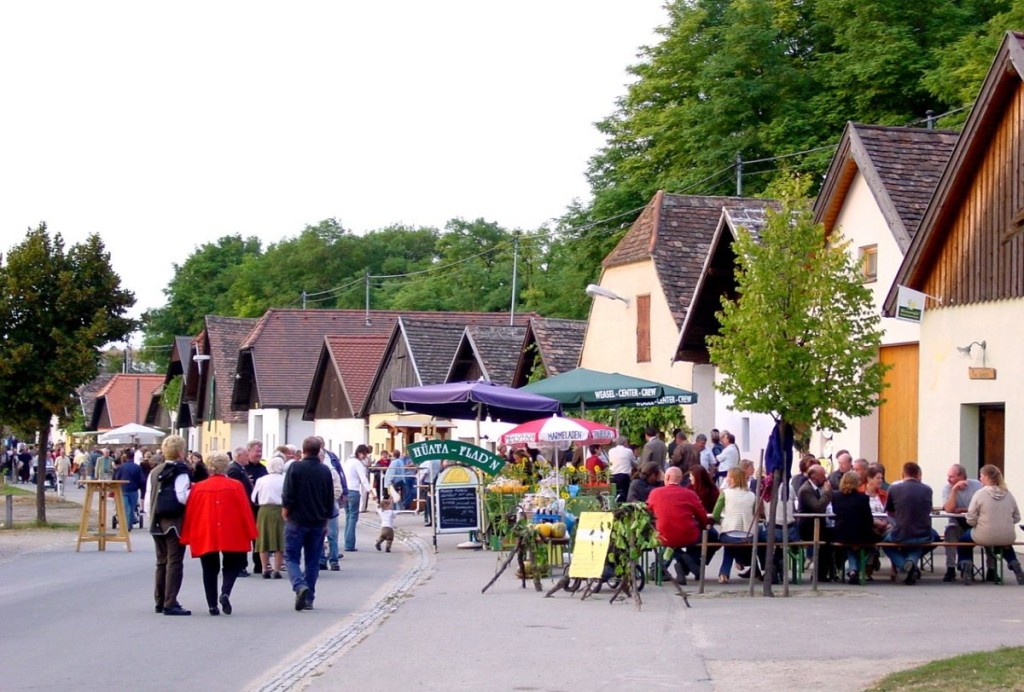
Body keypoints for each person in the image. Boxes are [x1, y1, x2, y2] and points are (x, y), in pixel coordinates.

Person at [180, 451, 258, 615]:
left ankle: (212, 605)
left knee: (209, 568)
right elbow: (245, 510)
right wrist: (251, 532)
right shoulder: (236, 485)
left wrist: (187, 534)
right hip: (231, 529)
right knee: (232, 564)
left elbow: (191, 512)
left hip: (206, 530)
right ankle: (225, 592)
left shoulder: (199, 488)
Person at [282, 436, 335, 611]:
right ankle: (309, 598)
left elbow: (288, 492)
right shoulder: (325, 470)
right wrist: (326, 520)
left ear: (303, 450)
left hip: (297, 519)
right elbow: (329, 498)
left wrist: (285, 510)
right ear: (319, 450)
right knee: (312, 561)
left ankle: (299, 585)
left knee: (291, 556)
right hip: (318, 521)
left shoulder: (295, 467)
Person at [956, 464, 1024, 585]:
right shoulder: (1008, 494)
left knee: (963, 541)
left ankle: (966, 564)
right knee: (1004, 544)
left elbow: (970, 518)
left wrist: (978, 522)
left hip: (984, 534)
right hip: (1007, 535)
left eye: (981, 476)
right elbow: (1017, 517)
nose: (980, 478)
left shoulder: (980, 494)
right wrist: (1004, 522)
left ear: (987, 477)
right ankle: (1014, 563)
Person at [148, 435, 192, 616]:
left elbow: (148, 496)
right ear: (181, 452)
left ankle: (159, 600)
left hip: (155, 519)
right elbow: (182, 496)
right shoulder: (180, 471)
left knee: (161, 562)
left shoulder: (155, 470)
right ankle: (170, 602)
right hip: (173, 520)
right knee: (175, 562)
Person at [647, 467, 708, 583]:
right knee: (686, 542)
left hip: (664, 534)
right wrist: (703, 527)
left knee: (669, 544)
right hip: (688, 534)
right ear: (680, 479)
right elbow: (702, 516)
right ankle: (686, 561)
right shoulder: (690, 494)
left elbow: (647, 511)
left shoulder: (655, 493)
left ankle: (661, 568)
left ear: (667, 477)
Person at [883, 462, 939, 585]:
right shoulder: (927, 489)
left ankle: (904, 564)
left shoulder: (894, 488)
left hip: (901, 532)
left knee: (885, 543)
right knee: (934, 538)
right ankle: (911, 562)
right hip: (923, 533)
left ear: (903, 474)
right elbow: (928, 510)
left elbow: (890, 512)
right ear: (919, 474)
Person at [831, 471, 878, 585]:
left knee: (850, 547)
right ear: (857, 483)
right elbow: (868, 520)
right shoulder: (863, 498)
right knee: (875, 543)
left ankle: (852, 570)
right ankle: (857, 568)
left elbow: (835, 514)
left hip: (842, 534)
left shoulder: (836, 496)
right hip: (860, 534)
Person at [712, 466, 757, 583]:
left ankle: (724, 573)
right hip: (748, 533)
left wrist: (722, 521)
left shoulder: (725, 493)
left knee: (729, 544)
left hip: (729, 531)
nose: (726, 479)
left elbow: (715, 513)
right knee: (733, 544)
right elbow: (754, 513)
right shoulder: (752, 495)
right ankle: (737, 562)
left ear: (732, 479)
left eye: (728, 476)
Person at [941, 463, 985, 582]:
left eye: (951, 477)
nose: (948, 479)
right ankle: (950, 568)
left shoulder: (977, 486)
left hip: (976, 523)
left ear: (961, 476)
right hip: (957, 523)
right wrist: (954, 490)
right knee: (950, 532)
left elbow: (982, 508)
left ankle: (991, 569)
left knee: (990, 532)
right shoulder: (947, 488)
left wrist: (961, 509)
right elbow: (949, 509)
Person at [797, 464, 835, 581]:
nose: (825, 478)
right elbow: (817, 507)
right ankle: (820, 574)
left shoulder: (818, 487)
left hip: (819, 525)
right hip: (808, 527)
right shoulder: (806, 490)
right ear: (814, 477)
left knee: (833, 537)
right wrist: (827, 492)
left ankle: (826, 571)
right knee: (827, 541)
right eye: (823, 475)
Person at [252, 455, 286, 578]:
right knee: (279, 540)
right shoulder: (285, 479)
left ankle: (265, 568)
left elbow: (253, 497)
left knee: (263, 540)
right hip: (280, 510)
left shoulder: (261, 480)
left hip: (264, 510)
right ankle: (277, 569)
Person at [227, 446, 258, 576]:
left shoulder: (240, 468)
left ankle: (241, 566)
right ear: (239, 456)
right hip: (239, 509)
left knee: (243, 537)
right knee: (239, 538)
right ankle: (239, 566)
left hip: (244, 506)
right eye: (246, 455)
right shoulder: (234, 469)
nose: (248, 458)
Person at [342, 444, 372, 552]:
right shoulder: (358, 464)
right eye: (365, 455)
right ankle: (349, 544)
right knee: (353, 518)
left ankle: (346, 541)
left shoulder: (347, 462)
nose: (365, 457)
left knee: (348, 517)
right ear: (360, 453)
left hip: (345, 491)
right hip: (354, 491)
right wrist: (370, 491)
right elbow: (363, 479)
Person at [113, 448, 146, 530]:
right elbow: (142, 480)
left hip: (123, 489)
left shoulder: (121, 467)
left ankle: (125, 525)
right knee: (132, 508)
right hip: (134, 490)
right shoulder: (137, 467)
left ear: (126, 457)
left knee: (125, 507)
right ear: (133, 457)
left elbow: (115, 478)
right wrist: (142, 492)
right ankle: (129, 525)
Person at [608, 436, 637, 504]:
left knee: (614, 495)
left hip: (612, 476)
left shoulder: (610, 451)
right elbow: (634, 463)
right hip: (624, 476)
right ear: (625, 443)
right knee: (625, 494)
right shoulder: (628, 451)